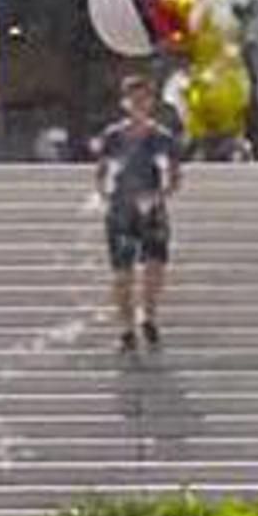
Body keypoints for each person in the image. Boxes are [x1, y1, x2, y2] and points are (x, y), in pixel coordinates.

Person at [94, 74, 182, 352]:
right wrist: (108, 196)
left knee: (155, 265)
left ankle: (149, 317)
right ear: (125, 102)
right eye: (134, 99)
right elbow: (101, 172)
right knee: (123, 272)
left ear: (151, 102)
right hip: (122, 210)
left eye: (144, 98)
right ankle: (126, 328)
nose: (139, 104)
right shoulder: (113, 136)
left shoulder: (162, 138)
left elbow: (174, 176)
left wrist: (158, 197)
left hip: (151, 209)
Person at [153, 0, 254, 162]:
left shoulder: (198, 6)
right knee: (228, 124)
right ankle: (231, 145)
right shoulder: (230, 12)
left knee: (175, 89)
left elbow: (163, 1)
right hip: (235, 84)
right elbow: (199, 43)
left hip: (211, 83)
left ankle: (197, 139)